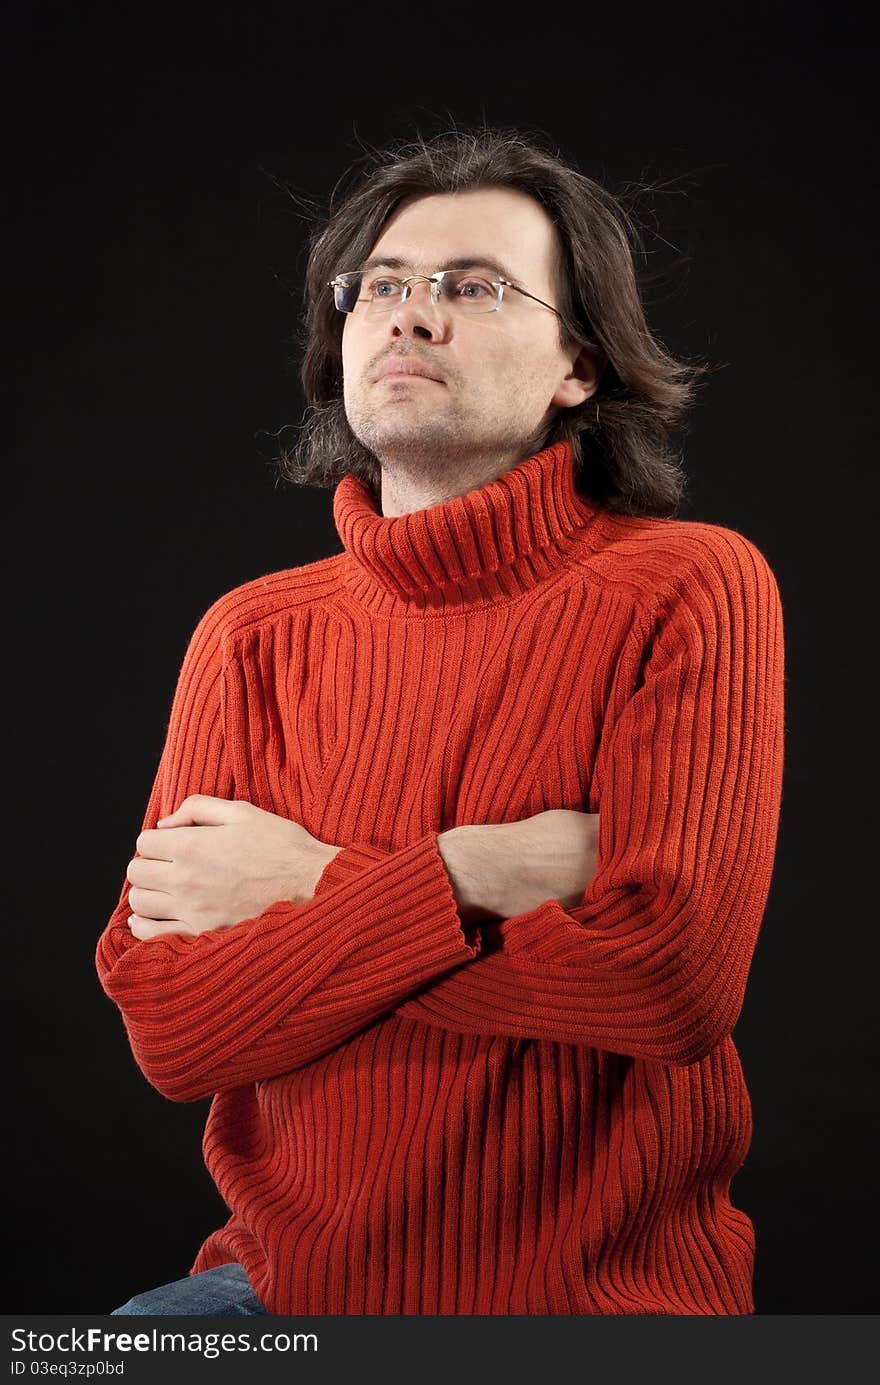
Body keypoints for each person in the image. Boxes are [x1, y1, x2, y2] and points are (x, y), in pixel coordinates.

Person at [97, 126, 785, 1316]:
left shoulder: (690, 584)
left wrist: (304, 881)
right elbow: (175, 1025)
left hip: (597, 1304)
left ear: (579, 361)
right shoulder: (252, 632)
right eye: (382, 285)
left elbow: (667, 987)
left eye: (471, 286)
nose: (410, 315)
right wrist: (476, 867)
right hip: (282, 1294)